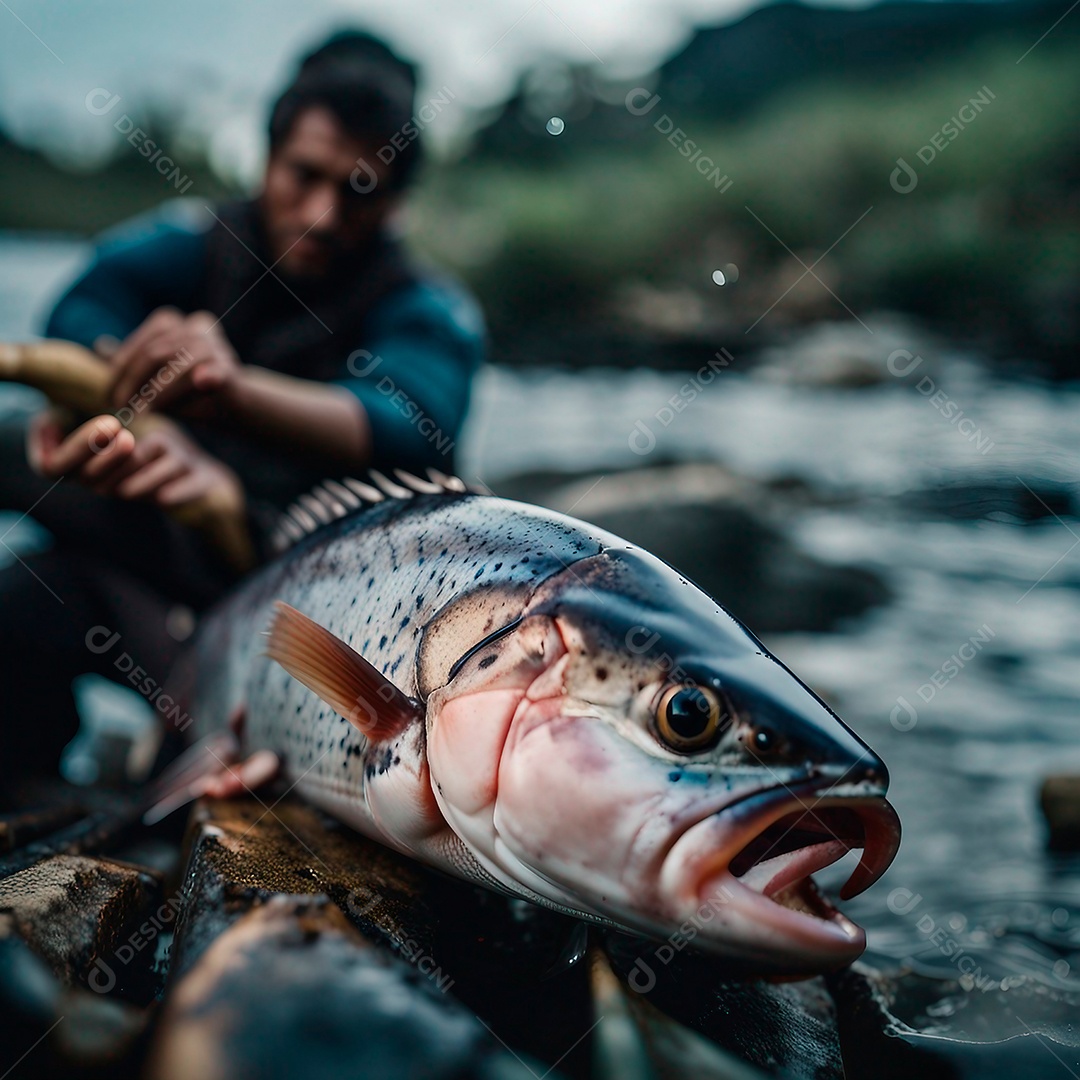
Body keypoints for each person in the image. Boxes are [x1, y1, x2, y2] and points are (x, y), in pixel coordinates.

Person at [0, 31, 485, 794]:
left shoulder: (426, 307)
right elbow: (79, 308)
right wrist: (133, 391)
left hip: (304, 623)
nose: (323, 214)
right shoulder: (195, 244)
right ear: (266, 159)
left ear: (393, 202)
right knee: (25, 594)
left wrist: (226, 391)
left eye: (356, 193)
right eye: (304, 177)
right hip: (155, 562)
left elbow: (406, 420)